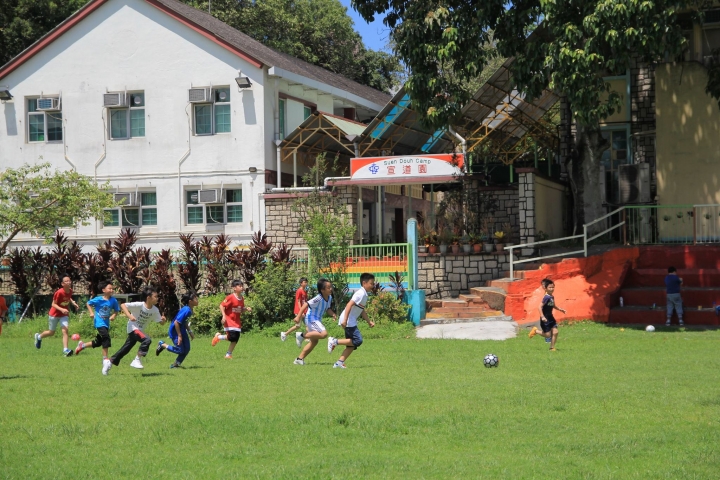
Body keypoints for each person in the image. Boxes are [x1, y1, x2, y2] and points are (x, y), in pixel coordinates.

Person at [109, 286, 166, 370]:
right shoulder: (139, 305)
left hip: (139, 330)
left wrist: (164, 320)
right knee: (147, 340)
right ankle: (137, 360)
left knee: (126, 349)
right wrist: (130, 316)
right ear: (148, 297)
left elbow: (161, 323)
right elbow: (123, 305)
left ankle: (110, 362)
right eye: (156, 296)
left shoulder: (155, 310)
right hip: (133, 328)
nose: (157, 298)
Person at [328, 273, 376, 369]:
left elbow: (361, 310)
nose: (373, 285)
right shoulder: (360, 293)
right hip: (349, 320)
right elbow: (349, 305)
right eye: (371, 283)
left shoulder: (364, 294)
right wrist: (345, 320)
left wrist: (369, 321)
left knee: (351, 345)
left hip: (350, 320)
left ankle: (339, 363)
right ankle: (334, 341)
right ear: (364, 283)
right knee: (358, 340)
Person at [75, 280, 120, 375]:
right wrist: (91, 313)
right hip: (99, 323)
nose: (112, 290)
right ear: (104, 290)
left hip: (106, 323)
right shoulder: (98, 299)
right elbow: (88, 303)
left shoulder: (113, 300)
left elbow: (116, 310)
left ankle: (82, 345)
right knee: (106, 337)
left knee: (98, 342)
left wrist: (113, 316)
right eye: (110, 288)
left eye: (112, 288)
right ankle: (105, 360)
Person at [292, 278, 337, 365]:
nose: (330, 289)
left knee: (314, 342)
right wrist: (298, 316)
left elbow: (327, 309)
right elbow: (306, 304)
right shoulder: (318, 298)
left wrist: (333, 314)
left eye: (330, 287)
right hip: (311, 318)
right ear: (322, 290)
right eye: (328, 287)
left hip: (316, 319)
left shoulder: (329, 297)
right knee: (324, 334)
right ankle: (302, 335)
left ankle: (299, 359)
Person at [35, 275, 79, 356]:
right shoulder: (59, 293)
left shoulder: (70, 291)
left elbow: (69, 298)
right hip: (54, 314)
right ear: (62, 283)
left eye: (69, 280)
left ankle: (65, 350)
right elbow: (53, 304)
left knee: (65, 331)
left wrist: (73, 303)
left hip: (64, 315)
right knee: (51, 332)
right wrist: (62, 309)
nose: (69, 282)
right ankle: (39, 337)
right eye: (66, 281)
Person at [211, 280, 251, 359]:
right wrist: (224, 316)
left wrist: (246, 309)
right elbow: (222, 305)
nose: (241, 287)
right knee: (232, 337)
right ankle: (218, 337)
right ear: (234, 288)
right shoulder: (230, 297)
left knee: (236, 338)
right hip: (229, 320)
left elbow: (240, 310)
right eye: (239, 286)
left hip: (237, 321)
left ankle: (228, 354)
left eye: (242, 286)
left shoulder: (242, 298)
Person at [156, 292, 198, 368]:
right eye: (195, 298)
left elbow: (184, 321)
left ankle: (175, 365)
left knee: (187, 349)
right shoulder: (186, 310)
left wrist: (190, 331)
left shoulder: (190, 310)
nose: (197, 300)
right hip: (175, 331)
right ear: (190, 301)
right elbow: (176, 322)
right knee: (180, 350)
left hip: (182, 331)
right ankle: (162, 345)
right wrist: (179, 336)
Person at [528, 278, 566, 351]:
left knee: (555, 332)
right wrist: (542, 317)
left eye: (553, 287)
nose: (552, 289)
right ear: (545, 288)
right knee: (548, 335)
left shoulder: (552, 296)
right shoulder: (546, 297)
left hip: (551, 317)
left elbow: (553, 305)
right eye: (550, 287)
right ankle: (535, 331)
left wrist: (560, 309)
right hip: (545, 318)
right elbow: (539, 307)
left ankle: (552, 347)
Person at [281, 277, 308, 345]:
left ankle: (306, 337)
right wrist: (301, 311)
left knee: (308, 326)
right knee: (298, 326)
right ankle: (285, 334)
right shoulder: (299, 291)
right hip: (299, 311)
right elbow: (298, 301)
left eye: (306, 282)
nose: (306, 283)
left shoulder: (305, 291)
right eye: (304, 282)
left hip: (304, 311)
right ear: (301, 283)